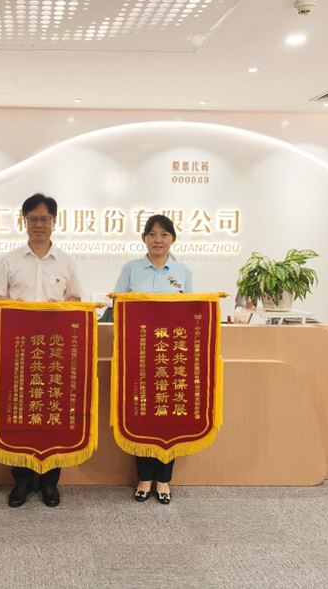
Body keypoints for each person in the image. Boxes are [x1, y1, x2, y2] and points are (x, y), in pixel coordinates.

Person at [0, 192, 84, 508]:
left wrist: (63, 306)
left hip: (55, 354)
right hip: (19, 353)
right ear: (24, 221)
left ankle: (49, 482)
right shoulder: (10, 260)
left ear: (54, 222)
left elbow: (76, 301)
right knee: (18, 415)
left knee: (54, 413)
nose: (39, 224)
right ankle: (21, 481)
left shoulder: (66, 261)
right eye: (33, 219)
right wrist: (12, 305)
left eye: (44, 219)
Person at [112, 214, 193, 505]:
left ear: (173, 239)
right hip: (138, 355)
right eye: (152, 234)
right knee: (140, 415)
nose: (158, 240)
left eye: (164, 234)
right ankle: (144, 477)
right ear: (144, 238)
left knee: (169, 416)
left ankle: (164, 479)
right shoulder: (131, 269)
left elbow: (191, 312)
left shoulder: (183, 271)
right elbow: (117, 304)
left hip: (172, 359)